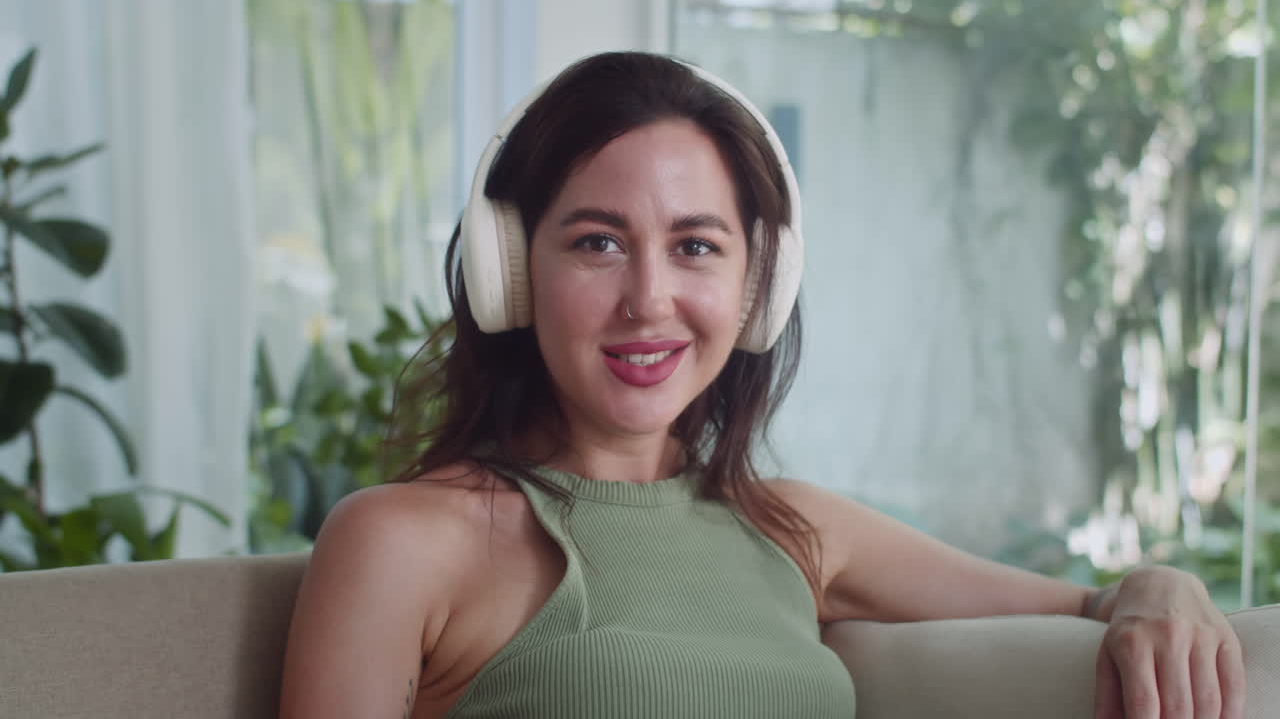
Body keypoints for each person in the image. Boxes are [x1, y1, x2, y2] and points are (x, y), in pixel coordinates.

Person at [278, 51, 1245, 719]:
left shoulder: (795, 528)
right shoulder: (399, 542)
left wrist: (1158, 589)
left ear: (756, 288)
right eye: (598, 242)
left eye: (695, 245)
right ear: (512, 273)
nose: (649, 300)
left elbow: (1086, 605)